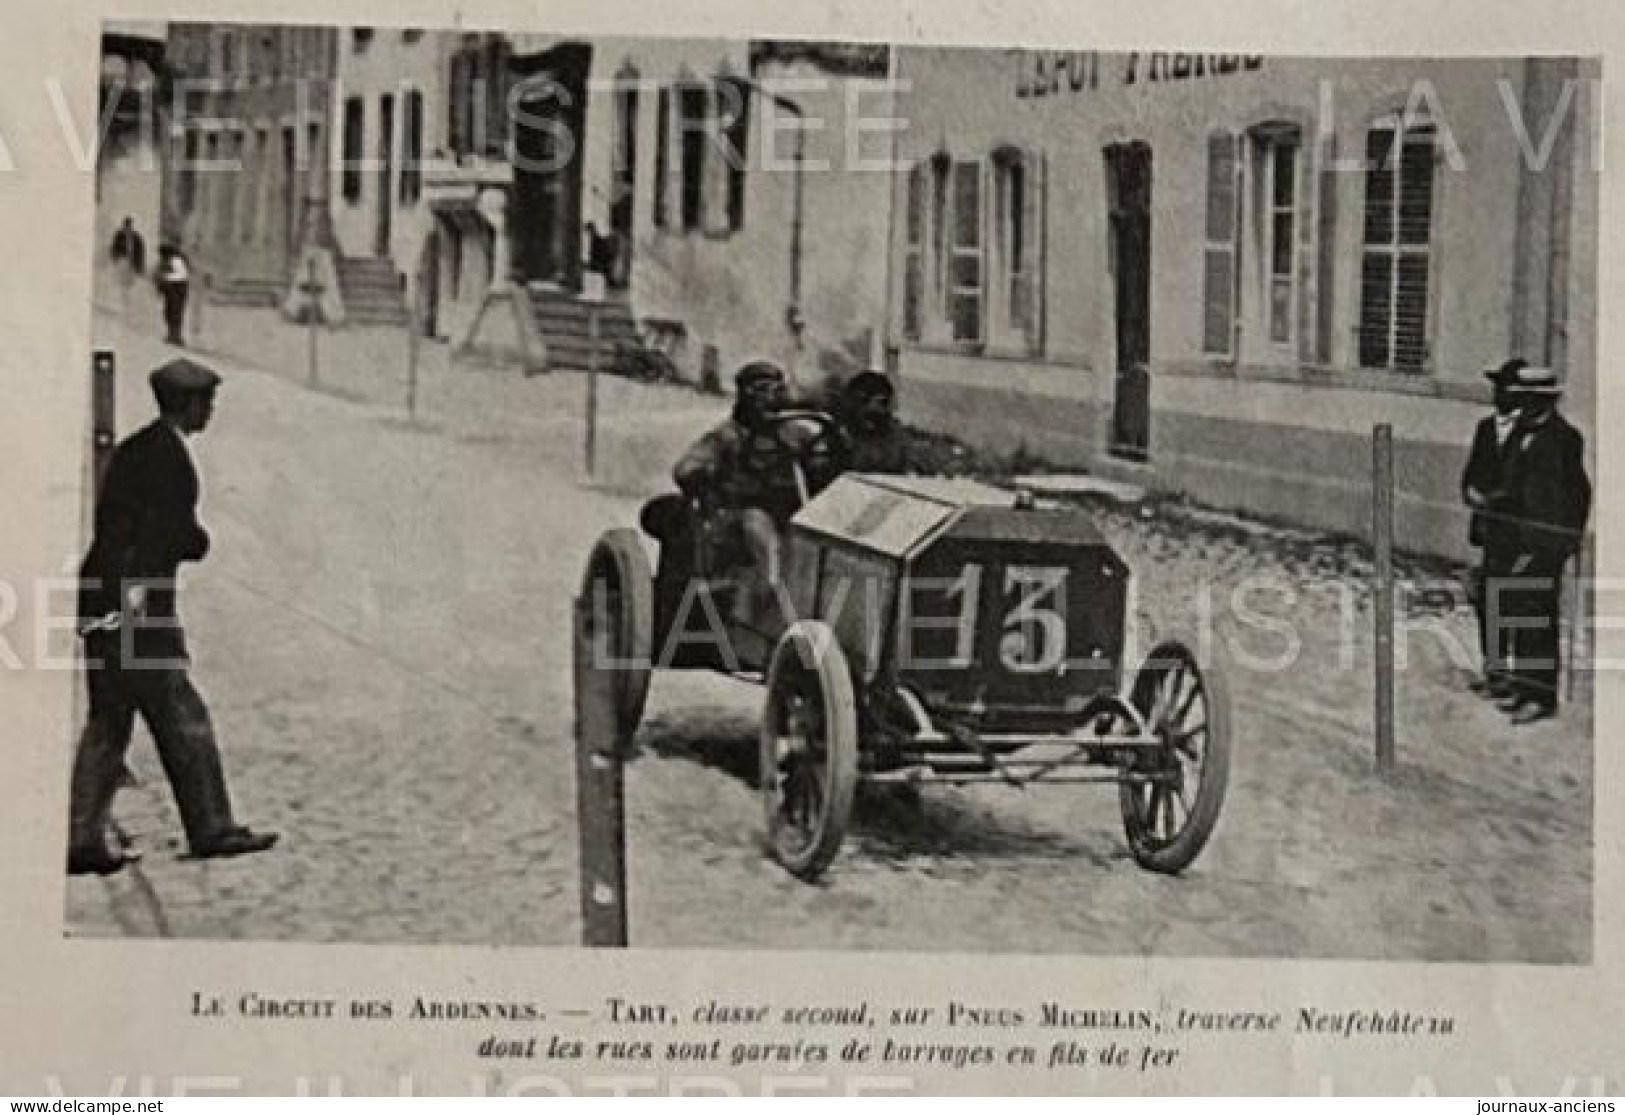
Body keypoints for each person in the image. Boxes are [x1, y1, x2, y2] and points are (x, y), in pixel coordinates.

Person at [67, 358, 279, 875]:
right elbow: (167, 536)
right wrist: (194, 546)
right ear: (185, 404)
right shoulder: (168, 460)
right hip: (137, 604)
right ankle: (211, 827)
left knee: (109, 722)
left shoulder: (139, 449)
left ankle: (80, 839)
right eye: (206, 402)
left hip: (103, 598)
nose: (210, 411)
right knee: (182, 715)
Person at [1493, 365, 1591, 725]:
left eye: (1531, 397)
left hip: (1546, 542)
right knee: (1519, 611)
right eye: (1521, 396)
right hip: (1517, 538)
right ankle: (1523, 685)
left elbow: (1579, 494)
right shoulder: (1521, 432)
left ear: (1546, 399)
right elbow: (1513, 485)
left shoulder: (1565, 438)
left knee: (1539, 617)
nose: (1523, 403)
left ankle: (1542, 695)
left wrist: (1567, 539)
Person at [673, 362, 799, 603]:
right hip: (736, 517)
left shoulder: (791, 433)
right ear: (744, 395)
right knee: (755, 520)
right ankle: (769, 587)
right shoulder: (725, 436)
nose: (769, 399)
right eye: (761, 390)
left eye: (774, 390)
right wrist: (704, 474)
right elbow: (685, 469)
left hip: (788, 514)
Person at [1460, 358, 1526, 698]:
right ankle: (1495, 672)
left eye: (1506, 388)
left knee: (1517, 604)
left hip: (1518, 536)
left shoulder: (1532, 433)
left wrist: (1496, 500)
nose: (1498, 394)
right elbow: (1470, 473)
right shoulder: (1486, 428)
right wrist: (1471, 492)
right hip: (1490, 534)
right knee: (1488, 601)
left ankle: (1520, 678)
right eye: (1497, 387)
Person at [834, 369, 908, 475]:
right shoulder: (838, 433)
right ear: (860, 400)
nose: (889, 410)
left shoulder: (892, 433)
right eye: (883, 402)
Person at [153, 243, 192, 346]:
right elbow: (158, 277)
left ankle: (175, 335)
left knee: (174, 313)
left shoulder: (176, 261)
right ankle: (173, 334)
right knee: (170, 313)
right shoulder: (166, 262)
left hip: (177, 292)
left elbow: (182, 276)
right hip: (172, 292)